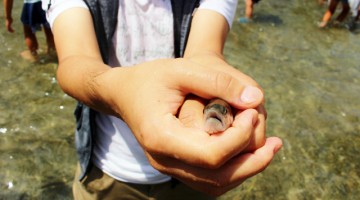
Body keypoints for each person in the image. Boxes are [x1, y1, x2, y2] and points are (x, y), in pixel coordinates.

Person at [42, 0, 282, 199]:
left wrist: (218, 81)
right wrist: (118, 90)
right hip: (106, 172)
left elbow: (204, 52)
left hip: (190, 179)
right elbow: (74, 62)